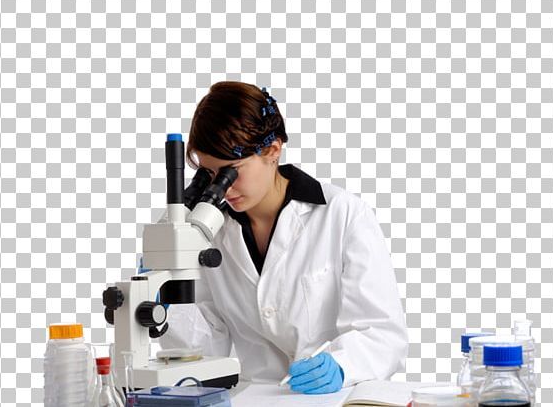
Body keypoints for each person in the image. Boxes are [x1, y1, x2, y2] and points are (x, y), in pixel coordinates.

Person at [158, 81, 407, 394]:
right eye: (210, 174)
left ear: (272, 150)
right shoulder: (208, 232)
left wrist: (343, 366)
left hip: (336, 397)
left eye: (230, 172)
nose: (223, 187)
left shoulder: (342, 214)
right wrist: (166, 301)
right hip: (255, 397)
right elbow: (207, 343)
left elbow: (382, 332)